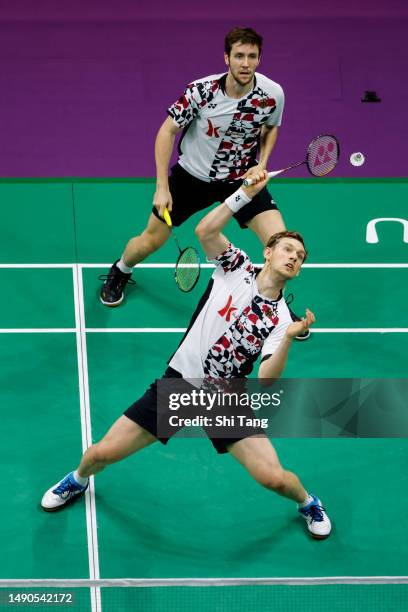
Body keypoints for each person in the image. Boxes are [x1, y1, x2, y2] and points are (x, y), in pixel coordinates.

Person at [42, 173, 331, 540]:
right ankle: (77, 481)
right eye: (288, 249)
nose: (294, 257)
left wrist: (288, 338)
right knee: (100, 455)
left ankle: (307, 502)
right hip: (180, 386)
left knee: (273, 477)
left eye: (300, 257)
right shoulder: (236, 267)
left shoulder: (281, 319)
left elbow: (269, 377)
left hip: (225, 400)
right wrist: (243, 194)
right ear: (268, 252)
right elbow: (205, 232)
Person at [99, 26, 310, 340]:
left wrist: (262, 164)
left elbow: (270, 129)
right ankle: (122, 269)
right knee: (150, 240)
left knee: (280, 242)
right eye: (239, 56)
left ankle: (273, 305)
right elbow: (166, 132)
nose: (245, 63)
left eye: (252, 56)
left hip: (240, 179)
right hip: (191, 178)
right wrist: (161, 186)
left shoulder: (272, 94)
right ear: (226, 57)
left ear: (259, 59)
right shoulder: (201, 91)